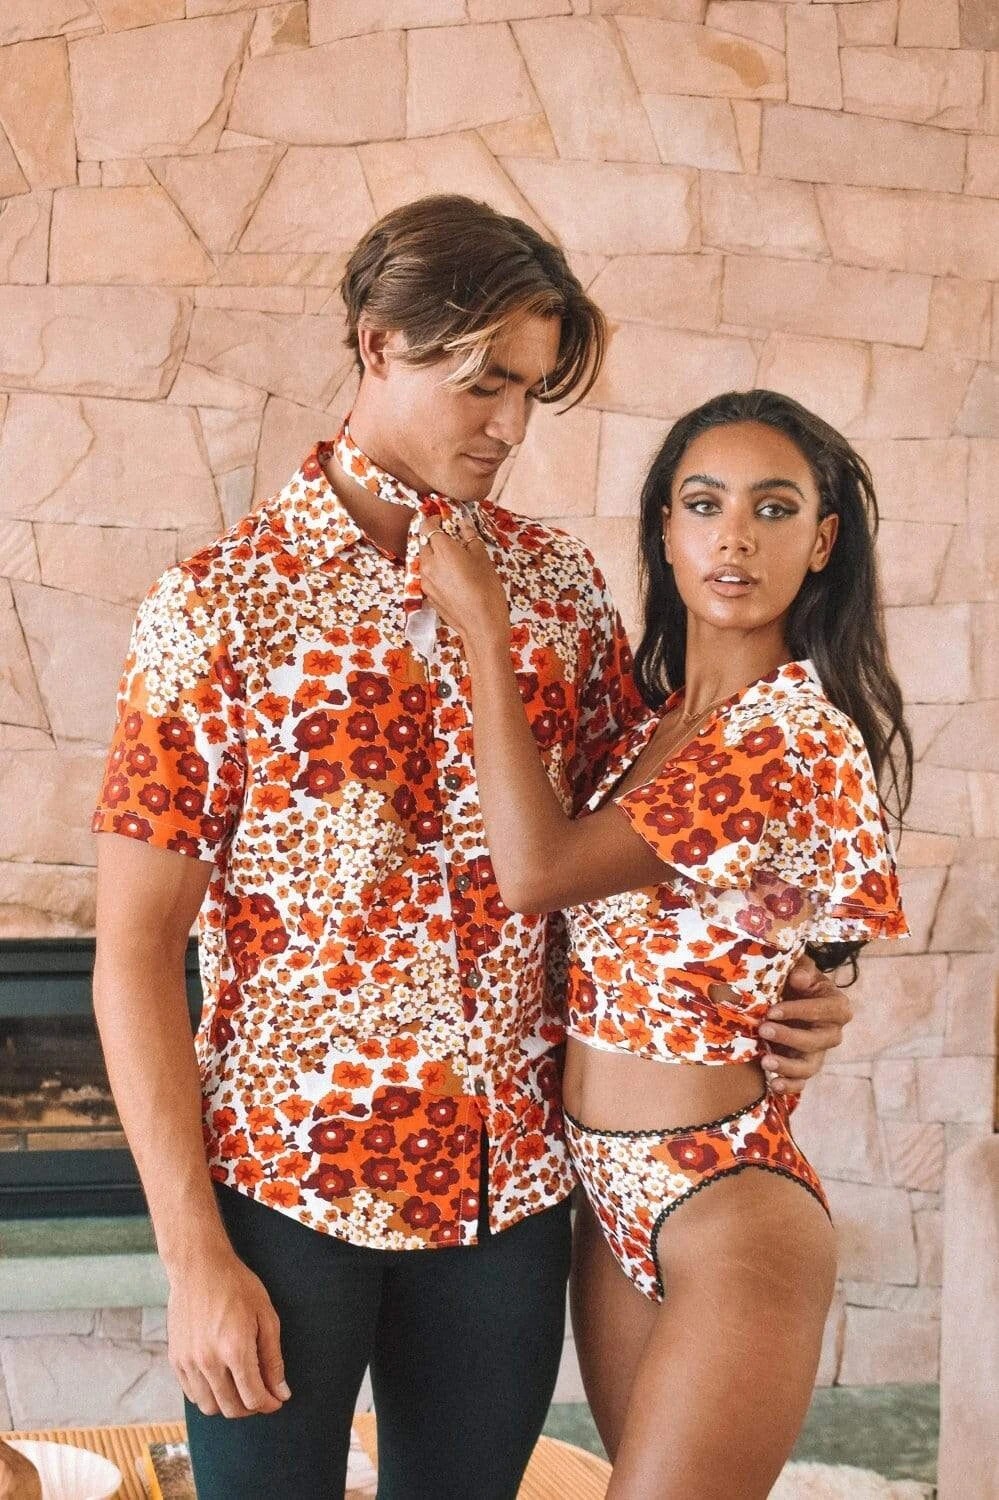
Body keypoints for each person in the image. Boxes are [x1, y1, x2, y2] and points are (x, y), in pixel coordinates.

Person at [91, 198, 852, 1500]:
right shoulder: (218, 608)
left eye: (530, 390)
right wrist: (192, 1257)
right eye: (483, 381)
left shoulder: (557, 589)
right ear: (377, 342)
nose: (509, 425)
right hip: (284, 1191)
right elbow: (132, 953)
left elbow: (646, 852)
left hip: (509, 1209)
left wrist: (806, 980)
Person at [418, 388, 912, 1500]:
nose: (734, 537)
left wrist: (484, 631)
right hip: (607, 1198)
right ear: (665, 530)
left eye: (773, 509)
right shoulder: (644, 731)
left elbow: (536, 874)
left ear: (821, 542)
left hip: (724, 1203)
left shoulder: (791, 735)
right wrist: (804, 986)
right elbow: (746, 924)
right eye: (703, 504)